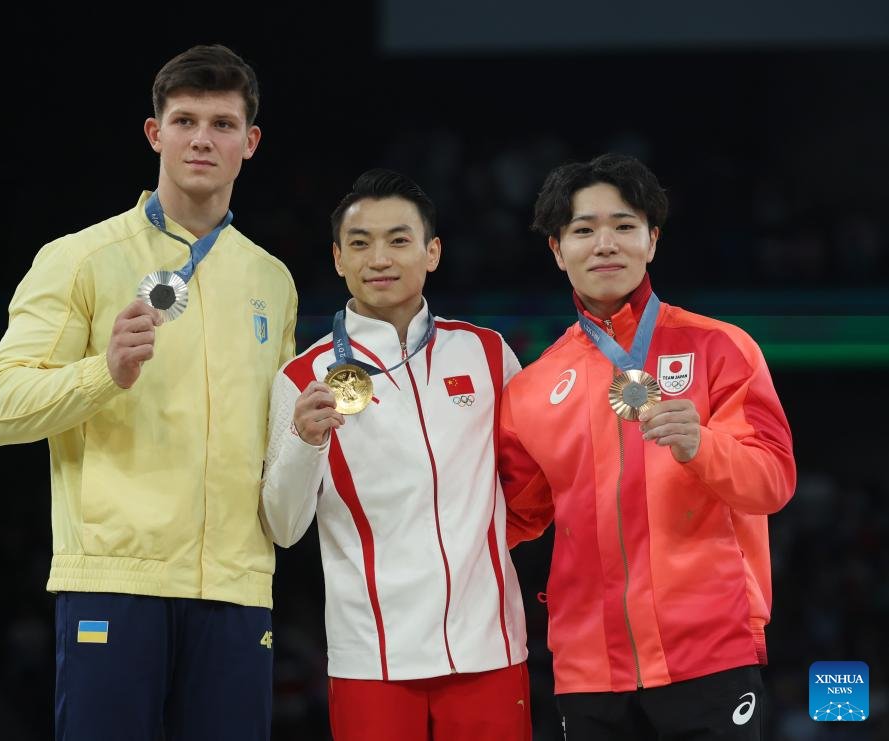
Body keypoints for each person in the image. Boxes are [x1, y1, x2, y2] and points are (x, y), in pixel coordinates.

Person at [0, 44, 296, 740]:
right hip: (117, 581)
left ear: (251, 141)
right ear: (155, 134)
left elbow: (282, 438)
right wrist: (103, 373)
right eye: (183, 121)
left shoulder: (272, 280)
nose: (201, 139)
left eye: (221, 123)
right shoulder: (81, 258)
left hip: (236, 588)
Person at [499, 153, 796, 740]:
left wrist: (702, 445)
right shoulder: (532, 388)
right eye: (583, 230)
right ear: (557, 250)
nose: (604, 243)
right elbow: (510, 517)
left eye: (624, 226)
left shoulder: (720, 347)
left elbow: (772, 481)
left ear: (652, 241)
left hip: (709, 653)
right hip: (588, 672)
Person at [260, 169, 531, 741]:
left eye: (399, 240)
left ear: (432, 252)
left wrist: (484, 554)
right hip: (371, 656)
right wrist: (305, 442)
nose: (378, 257)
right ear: (337, 259)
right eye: (360, 243)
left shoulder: (486, 353)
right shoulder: (301, 377)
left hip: (489, 645)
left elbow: (530, 486)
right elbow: (283, 527)